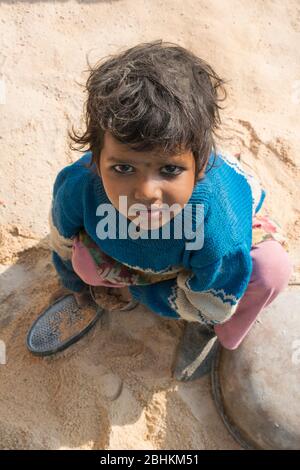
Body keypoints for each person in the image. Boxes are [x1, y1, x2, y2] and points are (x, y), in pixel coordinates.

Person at [49, 40, 293, 380]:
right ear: (96, 157)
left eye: (169, 170)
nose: (147, 194)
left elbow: (214, 303)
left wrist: (137, 292)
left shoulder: (217, 223)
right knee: (82, 260)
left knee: (271, 271)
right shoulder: (79, 185)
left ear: (201, 163)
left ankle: (219, 337)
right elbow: (61, 236)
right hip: (151, 254)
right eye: (122, 169)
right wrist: (71, 281)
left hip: (211, 266)